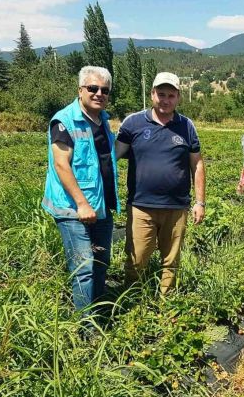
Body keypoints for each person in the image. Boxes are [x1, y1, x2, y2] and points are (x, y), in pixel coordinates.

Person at [115, 72, 206, 295]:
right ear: (152, 94)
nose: (165, 100)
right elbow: (111, 158)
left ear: (178, 98)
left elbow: (197, 165)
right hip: (141, 206)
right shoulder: (133, 123)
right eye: (161, 94)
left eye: (171, 95)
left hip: (176, 207)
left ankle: (168, 303)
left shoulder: (186, 126)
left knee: (171, 261)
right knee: (136, 260)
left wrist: (200, 202)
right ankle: (133, 302)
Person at [42, 66, 120, 315]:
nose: (99, 94)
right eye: (93, 88)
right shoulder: (64, 120)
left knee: (101, 262)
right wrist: (82, 204)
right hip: (73, 208)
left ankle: (97, 312)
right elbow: (61, 165)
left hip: (100, 205)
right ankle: (86, 329)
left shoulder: (103, 120)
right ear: (80, 90)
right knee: (84, 267)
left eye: (104, 90)